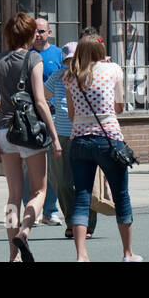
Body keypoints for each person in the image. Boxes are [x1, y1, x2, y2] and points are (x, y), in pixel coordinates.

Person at [0, 12, 61, 262]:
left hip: (3, 129)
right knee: (39, 191)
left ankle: (12, 255)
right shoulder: (34, 58)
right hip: (30, 132)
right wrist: (55, 138)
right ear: (28, 34)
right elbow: (39, 101)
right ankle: (24, 232)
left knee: (13, 195)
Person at [64, 33, 141, 261]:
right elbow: (119, 107)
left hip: (79, 140)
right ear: (101, 51)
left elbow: (71, 114)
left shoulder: (70, 77)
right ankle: (127, 252)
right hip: (108, 138)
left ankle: (81, 254)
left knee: (82, 197)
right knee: (121, 195)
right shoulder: (113, 70)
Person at [46, 38, 97, 240]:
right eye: (67, 61)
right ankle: (71, 221)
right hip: (62, 135)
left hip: (85, 133)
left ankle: (87, 225)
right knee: (63, 183)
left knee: (86, 183)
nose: (71, 64)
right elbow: (42, 97)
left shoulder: (90, 77)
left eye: (74, 60)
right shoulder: (57, 76)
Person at [29, 15, 65, 224]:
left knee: (53, 164)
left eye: (42, 31)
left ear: (49, 32)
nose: (38, 35)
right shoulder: (26, 55)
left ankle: (50, 210)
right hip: (31, 116)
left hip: (53, 115)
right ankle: (30, 209)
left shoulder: (58, 54)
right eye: (34, 31)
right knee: (30, 165)